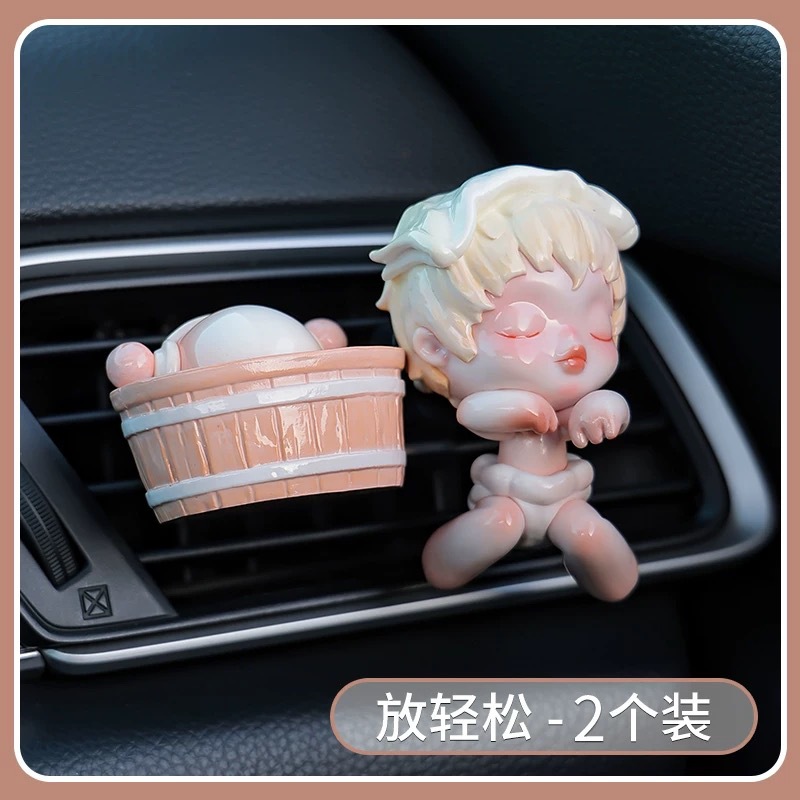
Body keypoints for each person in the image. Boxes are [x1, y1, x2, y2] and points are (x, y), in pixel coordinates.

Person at [372, 165, 640, 601]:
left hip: (567, 496)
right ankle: (449, 563)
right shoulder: (489, 406)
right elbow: (476, 412)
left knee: (587, 532)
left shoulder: (566, 405)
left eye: (597, 324)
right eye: (524, 327)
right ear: (435, 347)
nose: (573, 343)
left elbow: (601, 409)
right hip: (506, 496)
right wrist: (520, 411)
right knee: (498, 525)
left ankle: (612, 580)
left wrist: (605, 408)